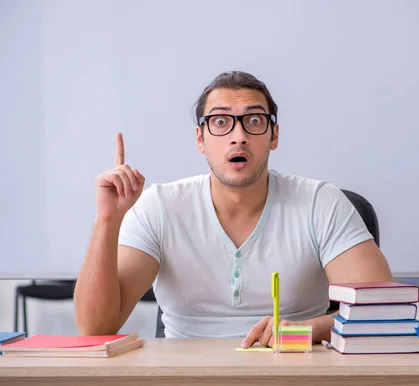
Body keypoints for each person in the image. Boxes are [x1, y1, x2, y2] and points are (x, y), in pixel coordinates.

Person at [73, 71, 393, 348]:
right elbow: (95, 328)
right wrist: (107, 219)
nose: (238, 137)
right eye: (221, 122)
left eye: (254, 121)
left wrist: (309, 329)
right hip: (184, 383)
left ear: (274, 135)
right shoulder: (159, 207)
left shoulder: (320, 202)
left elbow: (384, 310)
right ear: (200, 138)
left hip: (294, 376)